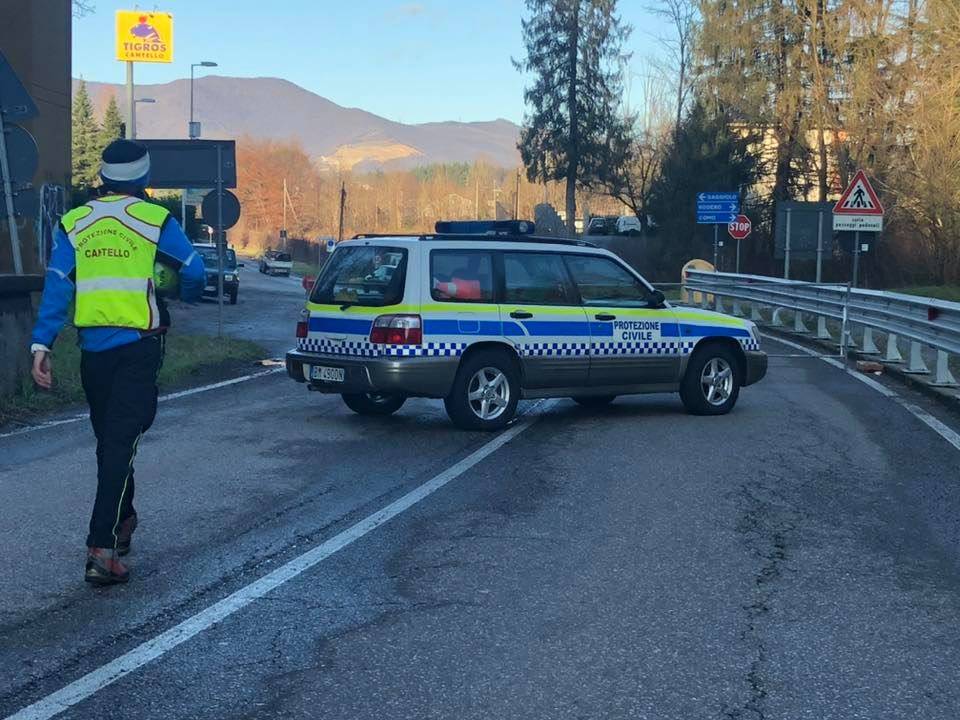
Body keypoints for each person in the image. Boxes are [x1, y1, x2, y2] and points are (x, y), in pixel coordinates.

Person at [30, 139, 206, 586]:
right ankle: (102, 550)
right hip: (138, 347)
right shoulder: (154, 219)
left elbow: (57, 286)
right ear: (144, 179)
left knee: (112, 442)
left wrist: (41, 346)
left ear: (104, 178)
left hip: (93, 353)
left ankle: (122, 522)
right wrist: (175, 296)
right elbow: (195, 272)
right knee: (120, 443)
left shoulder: (75, 221)